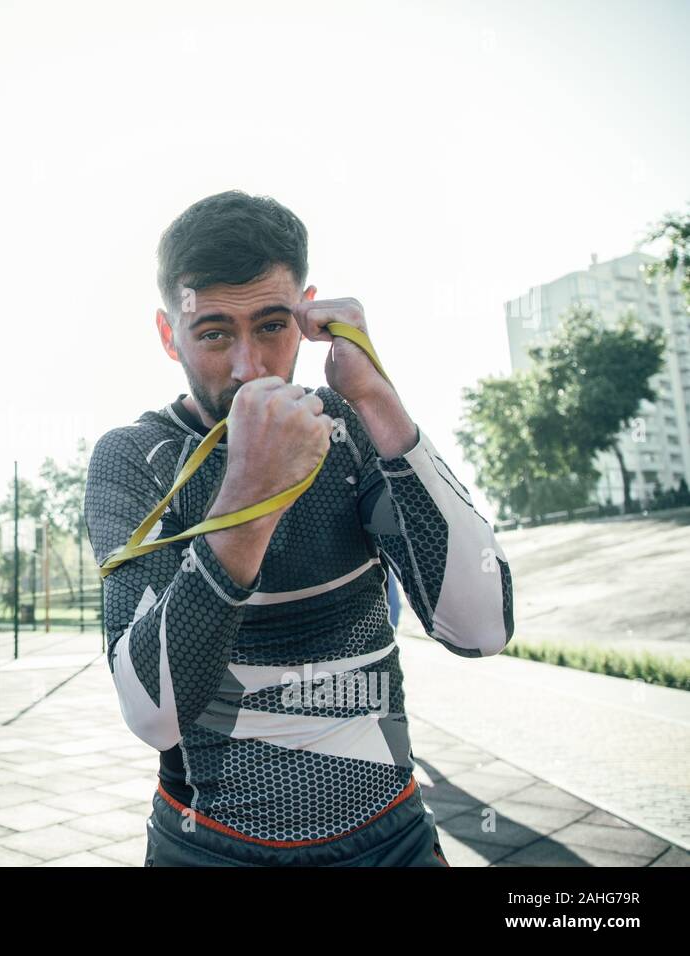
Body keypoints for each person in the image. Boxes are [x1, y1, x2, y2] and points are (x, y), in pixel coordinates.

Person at [83, 190, 514, 866]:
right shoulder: (135, 455)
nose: (249, 366)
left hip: (389, 839)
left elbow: (483, 627)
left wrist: (378, 400)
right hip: (209, 849)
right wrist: (251, 493)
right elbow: (153, 713)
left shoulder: (349, 427)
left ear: (309, 314)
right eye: (215, 332)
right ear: (170, 336)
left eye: (273, 326)